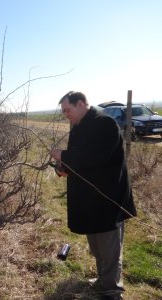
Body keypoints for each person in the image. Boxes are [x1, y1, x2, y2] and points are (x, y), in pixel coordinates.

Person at [50, 91, 136, 300]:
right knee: (97, 246)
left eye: (67, 110)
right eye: (63, 112)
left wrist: (63, 155)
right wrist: (62, 168)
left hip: (107, 198)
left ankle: (113, 291)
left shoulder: (104, 123)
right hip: (89, 200)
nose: (66, 115)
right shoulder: (80, 126)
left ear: (81, 104)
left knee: (109, 249)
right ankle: (103, 281)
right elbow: (78, 160)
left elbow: (96, 157)